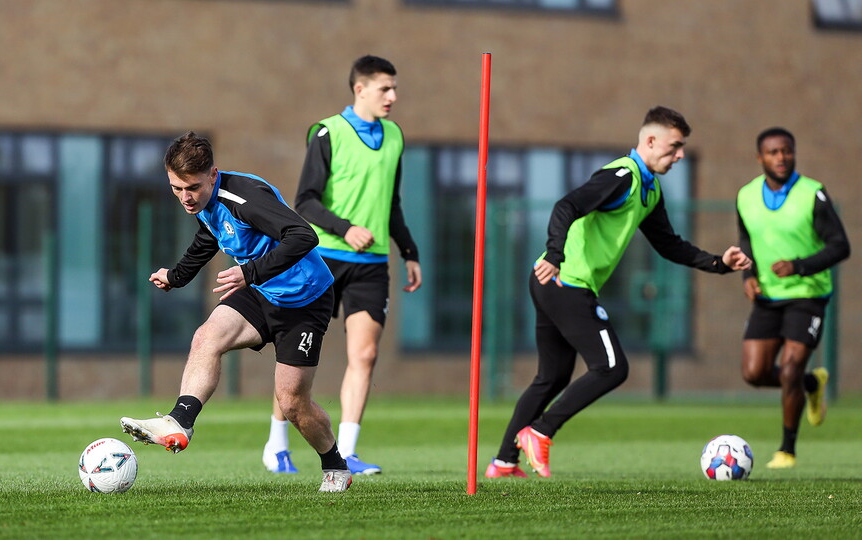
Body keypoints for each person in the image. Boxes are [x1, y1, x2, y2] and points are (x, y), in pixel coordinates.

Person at [485, 106, 753, 479]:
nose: (679, 156)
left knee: (552, 377)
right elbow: (567, 206)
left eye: (682, 149)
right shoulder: (622, 176)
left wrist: (719, 263)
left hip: (551, 281)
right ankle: (541, 431)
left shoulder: (650, 189)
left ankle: (503, 462)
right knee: (611, 368)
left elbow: (669, 245)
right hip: (565, 282)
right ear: (650, 141)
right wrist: (557, 254)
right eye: (674, 147)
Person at [120, 132, 352, 492]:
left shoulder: (245, 197)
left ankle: (335, 465)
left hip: (304, 301)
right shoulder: (206, 203)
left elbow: (303, 236)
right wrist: (177, 277)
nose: (185, 197)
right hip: (260, 291)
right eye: (176, 188)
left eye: (192, 188)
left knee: (292, 403)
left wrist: (249, 272)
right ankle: (180, 422)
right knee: (206, 337)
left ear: (213, 175)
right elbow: (209, 236)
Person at [261, 55, 422, 476]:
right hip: (322, 257)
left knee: (365, 354)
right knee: (295, 354)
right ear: (360, 89)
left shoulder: (395, 136)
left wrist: (409, 251)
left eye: (395, 88)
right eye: (385, 88)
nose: (393, 96)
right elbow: (305, 201)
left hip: (371, 264)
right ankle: (276, 444)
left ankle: (347, 451)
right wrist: (346, 227)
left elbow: (392, 203)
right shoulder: (328, 132)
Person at [736, 127, 850, 469]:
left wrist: (800, 266)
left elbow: (841, 246)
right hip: (768, 297)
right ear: (760, 158)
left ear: (794, 153)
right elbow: (746, 239)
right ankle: (812, 383)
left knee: (789, 369)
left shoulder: (812, 194)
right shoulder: (745, 196)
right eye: (773, 152)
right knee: (754, 373)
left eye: (787, 151)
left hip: (808, 296)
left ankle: (787, 449)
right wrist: (749, 275)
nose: (781, 157)